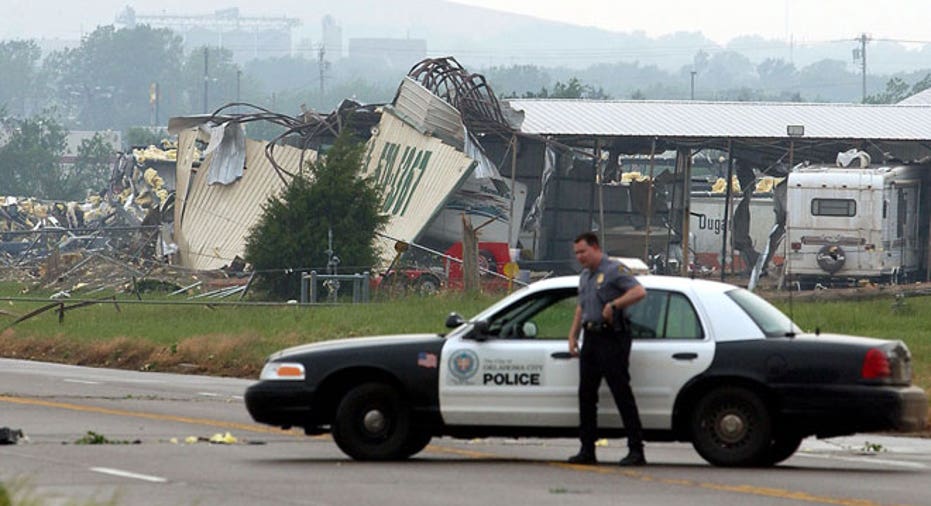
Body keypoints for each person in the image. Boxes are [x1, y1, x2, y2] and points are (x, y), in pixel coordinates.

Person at [567, 231, 647, 466]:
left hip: (612, 338)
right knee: (586, 396)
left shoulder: (614, 270)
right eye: (577, 253)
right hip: (591, 338)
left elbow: (639, 291)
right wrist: (573, 336)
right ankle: (587, 450)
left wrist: (614, 304)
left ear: (595, 247)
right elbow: (581, 308)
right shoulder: (584, 276)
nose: (580, 256)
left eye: (583, 251)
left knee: (621, 394)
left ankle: (636, 450)